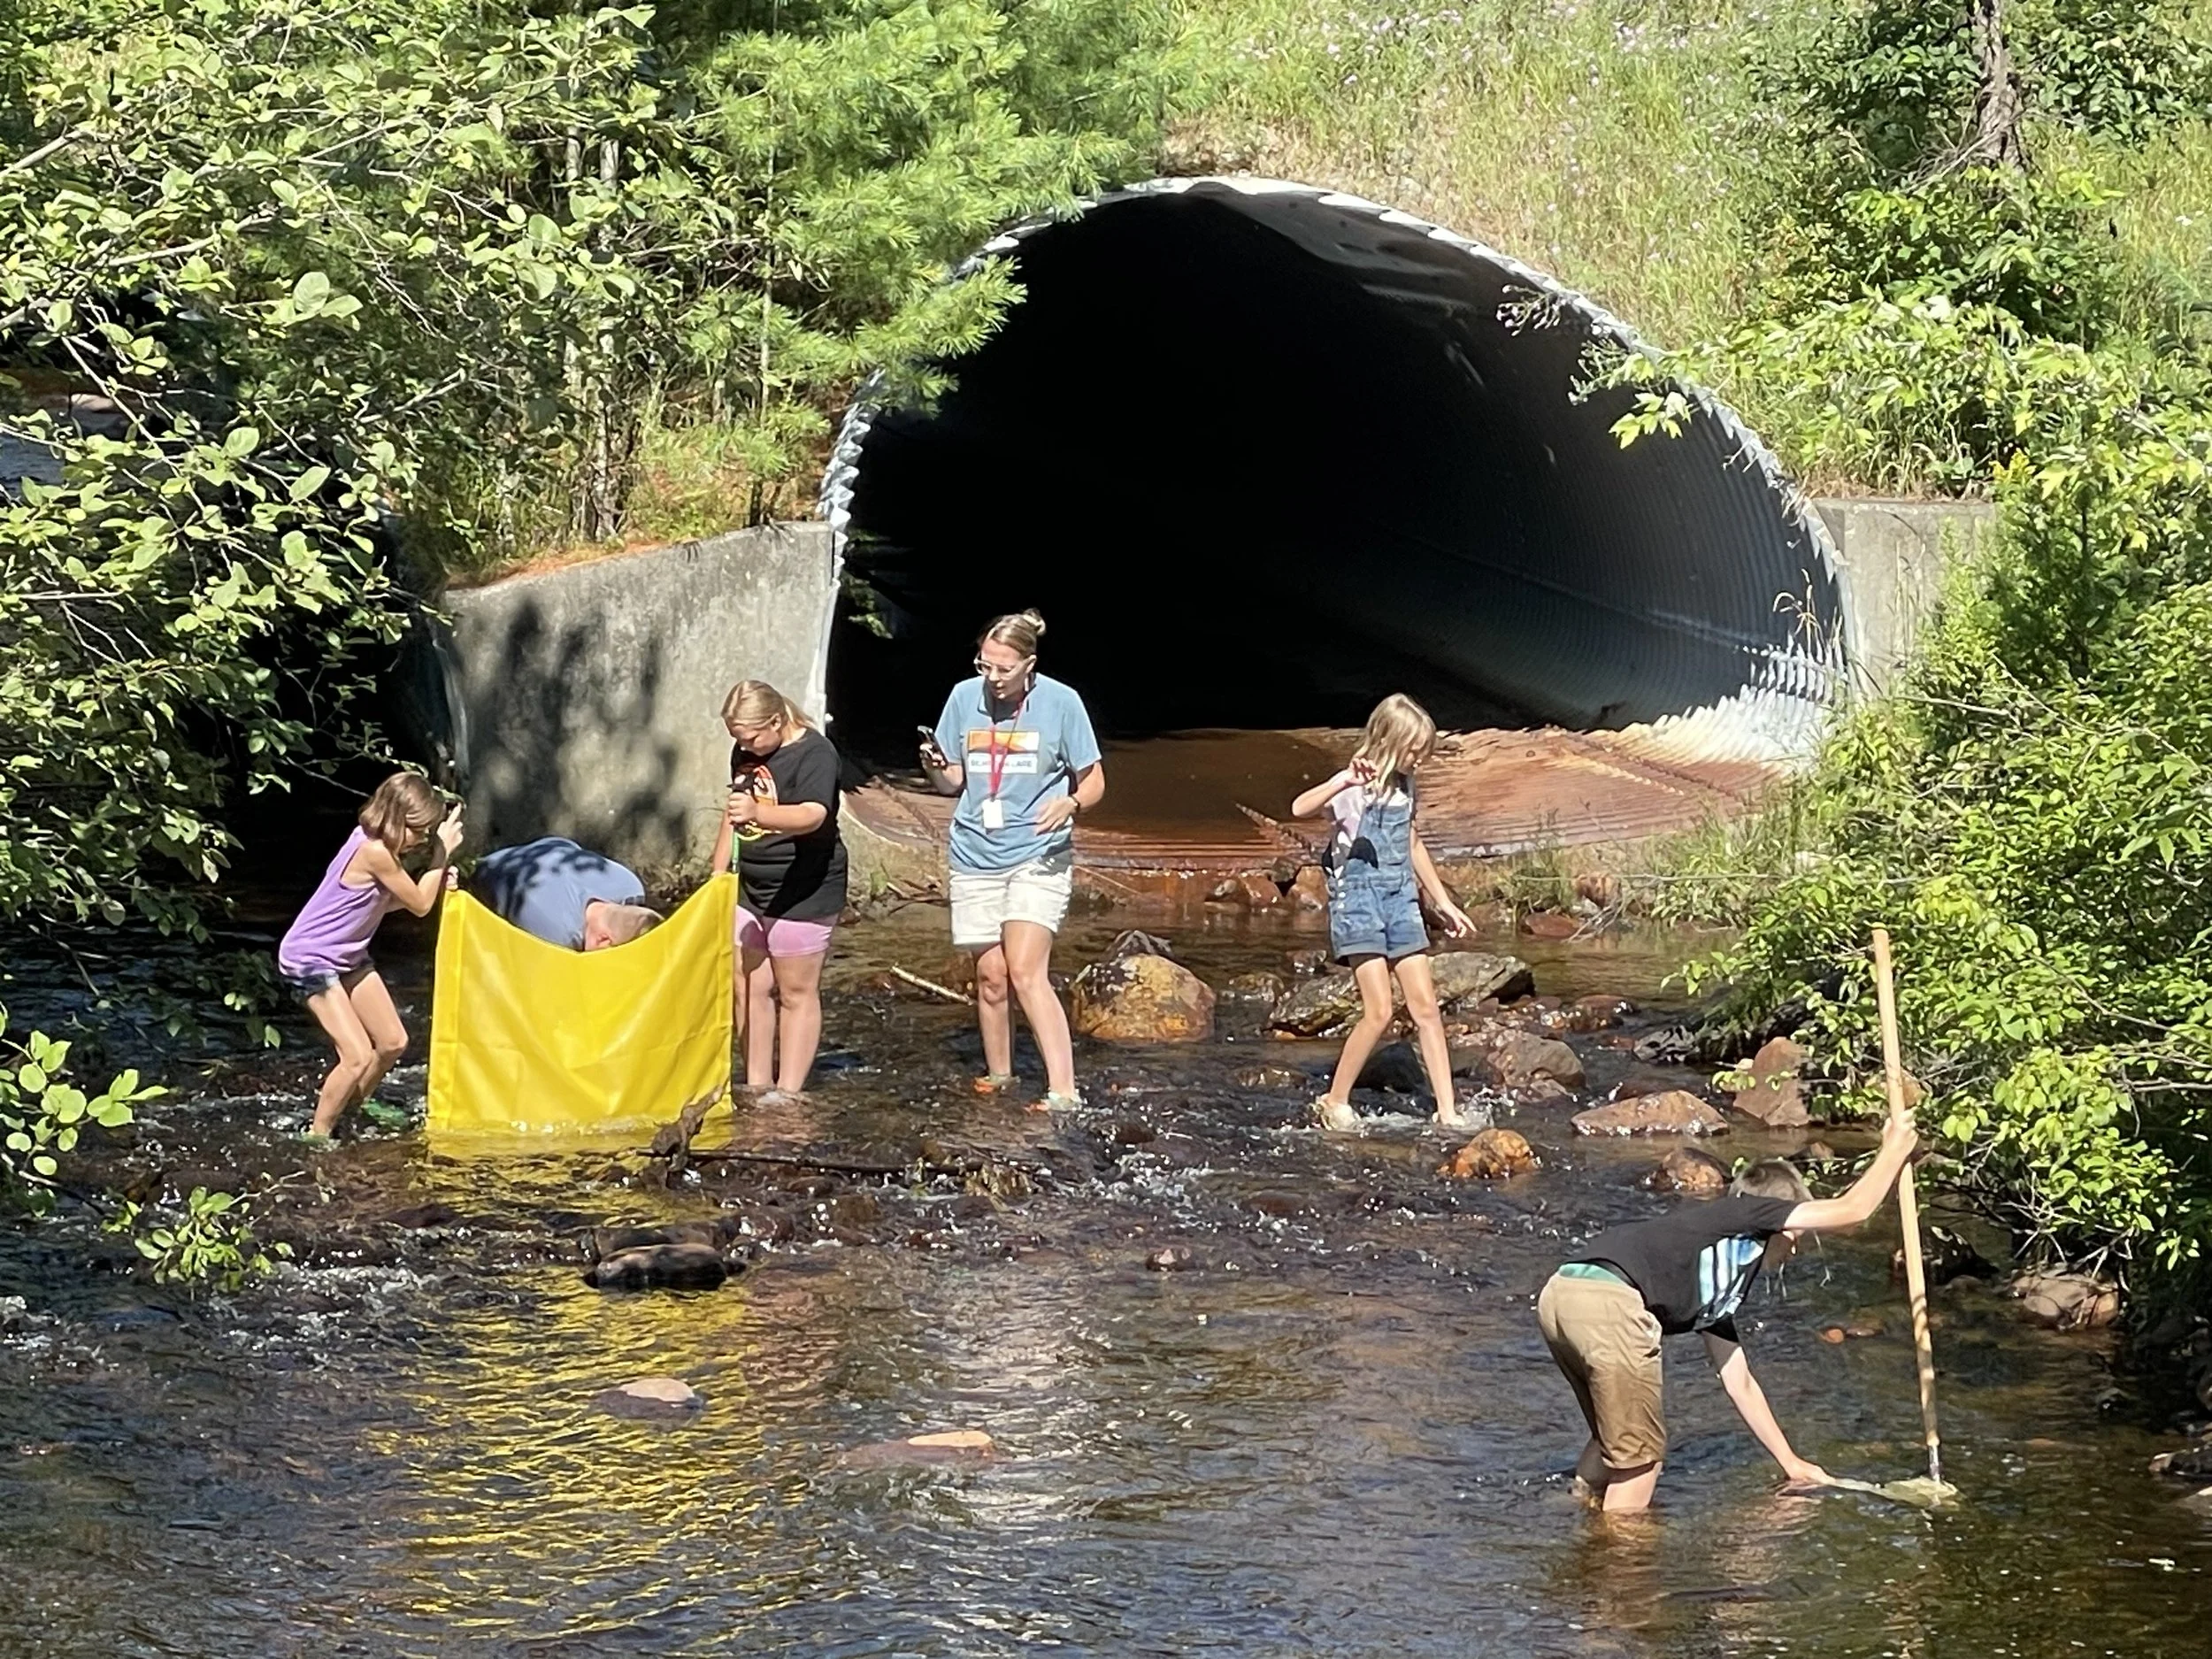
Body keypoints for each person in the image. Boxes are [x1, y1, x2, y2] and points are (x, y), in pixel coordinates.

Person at [1537, 1114, 1921, 1513]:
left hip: (1562, 1295)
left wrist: (1791, 1463)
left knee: (1614, 1436)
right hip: (1611, 1301)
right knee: (1641, 1461)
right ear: (1785, 1220)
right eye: (1799, 1231)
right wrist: (1893, 1151)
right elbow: (1852, 1212)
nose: (1798, 1246)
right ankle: (1619, 1565)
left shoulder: (1718, 1274)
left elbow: (1741, 1383)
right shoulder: (1750, 1213)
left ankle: (1573, 1511)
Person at [920, 609, 1104, 1110]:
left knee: (1025, 969)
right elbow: (953, 783)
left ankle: (1064, 1089)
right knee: (991, 976)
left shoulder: (1062, 703)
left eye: (1004, 669)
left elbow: (1094, 780)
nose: (993, 679)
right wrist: (934, 767)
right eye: (985, 666)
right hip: (974, 851)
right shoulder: (963, 697)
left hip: (1037, 854)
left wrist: (1071, 802)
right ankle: (1000, 1073)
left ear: (1030, 665)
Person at [1288, 693, 1479, 1131]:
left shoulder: (1408, 786)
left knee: (1426, 1008)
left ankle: (1447, 1111)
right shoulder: (1353, 787)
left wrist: (1442, 901)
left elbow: (1412, 844)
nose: (1420, 760)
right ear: (1389, 742)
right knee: (1379, 1011)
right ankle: (1334, 1100)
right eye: (1415, 751)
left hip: (1401, 901)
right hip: (1359, 904)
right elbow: (1299, 808)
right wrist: (1342, 781)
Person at [278, 771, 464, 1139]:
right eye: (419, 831)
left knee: (393, 1041)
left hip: (347, 957)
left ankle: (350, 1107)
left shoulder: (376, 846)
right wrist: (441, 856)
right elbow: (421, 906)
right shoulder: (373, 851)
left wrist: (437, 879)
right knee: (357, 1054)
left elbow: (384, 902)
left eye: (428, 833)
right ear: (396, 819)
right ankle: (318, 1136)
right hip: (310, 958)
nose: (423, 839)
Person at [709, 679, 849, 1097]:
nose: (744, 746)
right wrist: (718, 875)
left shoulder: (815, 753)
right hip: (754, 883)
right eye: (737, 739)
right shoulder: (747, 752)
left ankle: (788, 1093)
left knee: (795, 990)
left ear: (775, 721)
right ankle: (756, 1084)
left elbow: (813, 815)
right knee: (750, 984)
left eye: (750, 737)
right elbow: (733, 813)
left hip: (805, 886)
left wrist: (759, 813)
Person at [472, 836, 662, 950]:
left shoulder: (630, 885)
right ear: (603, 939)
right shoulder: (559, 936)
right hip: (478, 877)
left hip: (550, 846)